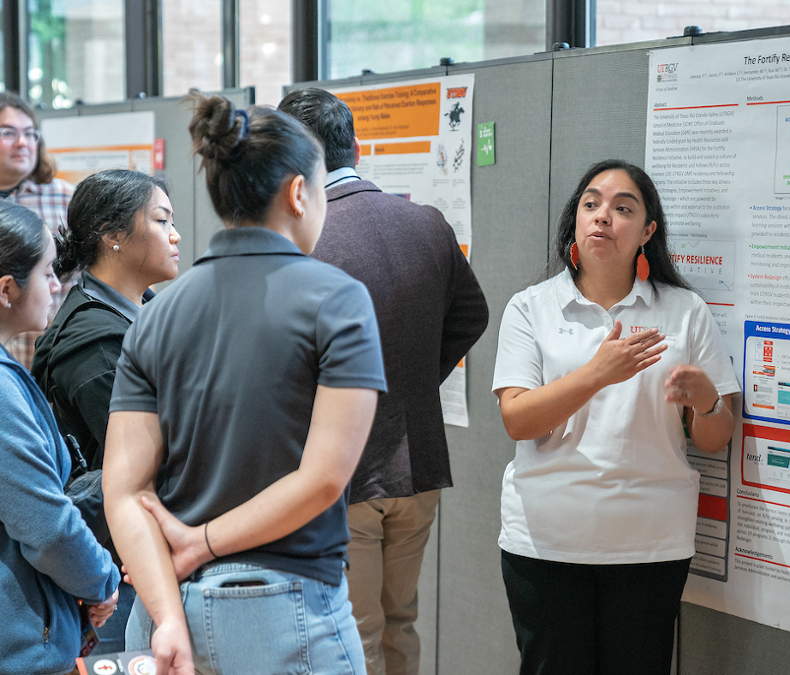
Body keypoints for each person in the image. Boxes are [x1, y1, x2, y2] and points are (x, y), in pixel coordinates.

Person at [103, 92, 386, 675]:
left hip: (165, 609)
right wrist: (200, 542)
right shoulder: (338, 300)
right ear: (298, 193)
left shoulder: (157, 311)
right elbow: (324, 477)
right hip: (286, 612)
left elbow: (125, 492)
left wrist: (169, 619)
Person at [491, 160, 740, 675]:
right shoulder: (531, 307)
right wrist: (598, 373)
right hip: (546, 541)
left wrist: (706, 400)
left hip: (650, 544)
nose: (603, 216)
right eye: (591, 204)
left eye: (623, 208)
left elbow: (716, 437)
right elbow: (517, 420)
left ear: (647, 231)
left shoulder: (684, 311)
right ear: (576, 222)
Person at [277, 87, 489, 675]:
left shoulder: (302, 240)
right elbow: (472, 315)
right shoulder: (426, 222)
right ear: (357, 148)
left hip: (339, 471)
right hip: (418, 465)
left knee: (354, 633)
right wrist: (417, 378)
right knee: (401, 623)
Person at [31, 169, 180, 654]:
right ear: (114, 237)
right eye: (161, 221)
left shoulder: (137, 312)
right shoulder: (92, 342)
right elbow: (156, 455)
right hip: (114, 569)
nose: (175, 235)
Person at [0, 201, 120, 675]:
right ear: (7, 288)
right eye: (48, 272)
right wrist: (101, 579)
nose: (56, 286)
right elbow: (45, 525)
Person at [0, 92, 75, 370]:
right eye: (8, 132)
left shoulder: (66, 200)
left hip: (53, 362)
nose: (22, 142)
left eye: (30, 133)